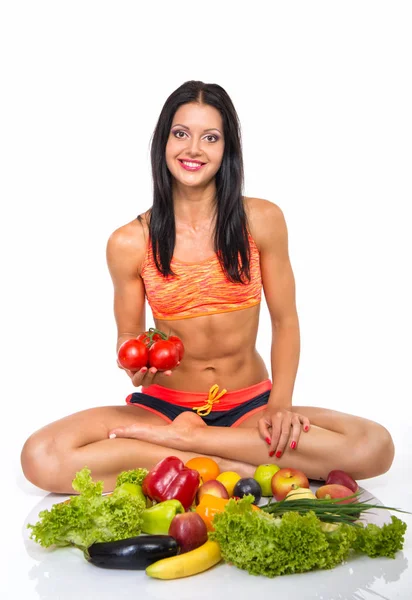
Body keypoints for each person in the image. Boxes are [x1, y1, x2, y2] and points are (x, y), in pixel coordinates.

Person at [21, 80, 394, 493]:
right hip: (164, 411)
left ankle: (193, 447)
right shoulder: (129, 242)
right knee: (41, 456)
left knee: (373, 446)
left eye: (210, 137)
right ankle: (221, 462)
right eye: (181, 134)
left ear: (227, 148)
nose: (193, 149)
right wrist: (134, 363)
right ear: (163, 142)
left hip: (251, 410)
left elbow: (285, 320)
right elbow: (129, 336)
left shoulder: (262, 220)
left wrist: (281, 405)